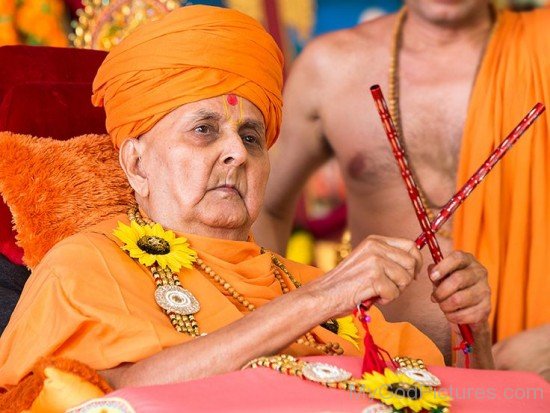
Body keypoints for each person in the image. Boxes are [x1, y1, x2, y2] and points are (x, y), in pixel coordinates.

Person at [0, 5, 493, 392]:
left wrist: (473, 331)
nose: (236, 151)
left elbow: (460, 397)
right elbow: (111, 395)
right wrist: (317, 301)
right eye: (203, 130)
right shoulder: (85, 265)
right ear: (136, 164)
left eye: (252, 136)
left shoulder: (312, 286)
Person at [254, 0, 550, 374]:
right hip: (372, 369)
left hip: (529, 374)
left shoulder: (543, 51)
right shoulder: (331, 67)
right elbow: (265, 204)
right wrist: (274, 327)